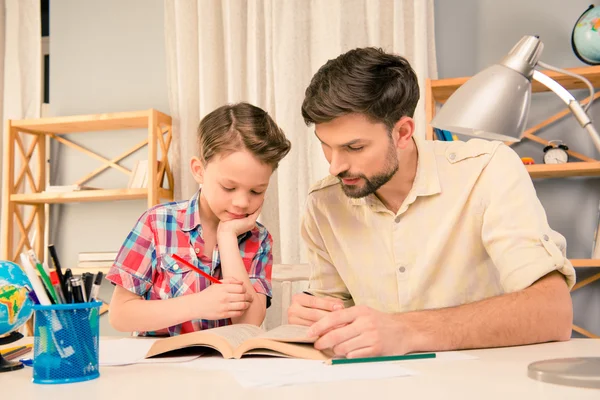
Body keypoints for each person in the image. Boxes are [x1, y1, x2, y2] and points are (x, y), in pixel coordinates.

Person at [289, 47, 575, 358]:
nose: (335, 166)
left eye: (354, 147)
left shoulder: (487, 170)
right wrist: (317, 318)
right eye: (326, 146)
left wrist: (407, 331)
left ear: (403, 132)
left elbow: (553, 311)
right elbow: (334, 316)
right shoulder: (324, 204)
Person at [107, 102, 291, 336]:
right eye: (229, 187)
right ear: (199, 170)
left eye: (256, 191)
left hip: (226, 366)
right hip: (161, 366)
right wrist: (198, 304)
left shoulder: (259, 238)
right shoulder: (157, 224)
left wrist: (227, 238)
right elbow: (120, 315)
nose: (242, 203)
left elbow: (249, 322)